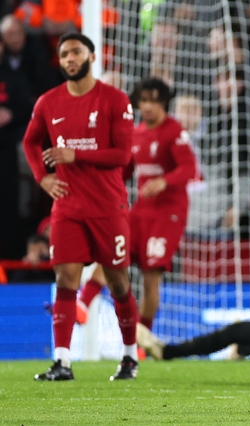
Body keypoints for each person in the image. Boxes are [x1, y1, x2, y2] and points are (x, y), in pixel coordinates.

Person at [22, 32, 140, 381]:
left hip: (108, 206)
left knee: (119, 284)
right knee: (65, 278)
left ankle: (130, 356)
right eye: (63, 54)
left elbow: (122, 155)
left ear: (91, 55)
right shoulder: (48, 102)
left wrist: (77, 154)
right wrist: (42, 177)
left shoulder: (115, 100)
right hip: (68, 206)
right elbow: (30, 142)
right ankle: (62, 361)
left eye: (75, 52)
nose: (69, 59)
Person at [78, 77, 198, 332]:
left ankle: (142, 337)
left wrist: (163, 182)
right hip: (140, 211)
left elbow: (189, 168)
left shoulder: (175, 132)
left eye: (154, 101)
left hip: (168, 213)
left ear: (165, 103)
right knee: (111, 253)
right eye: (144, 100)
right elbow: (125, 171)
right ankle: (83, 304)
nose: (149, 106)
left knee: (150, 276)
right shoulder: (136, 133)